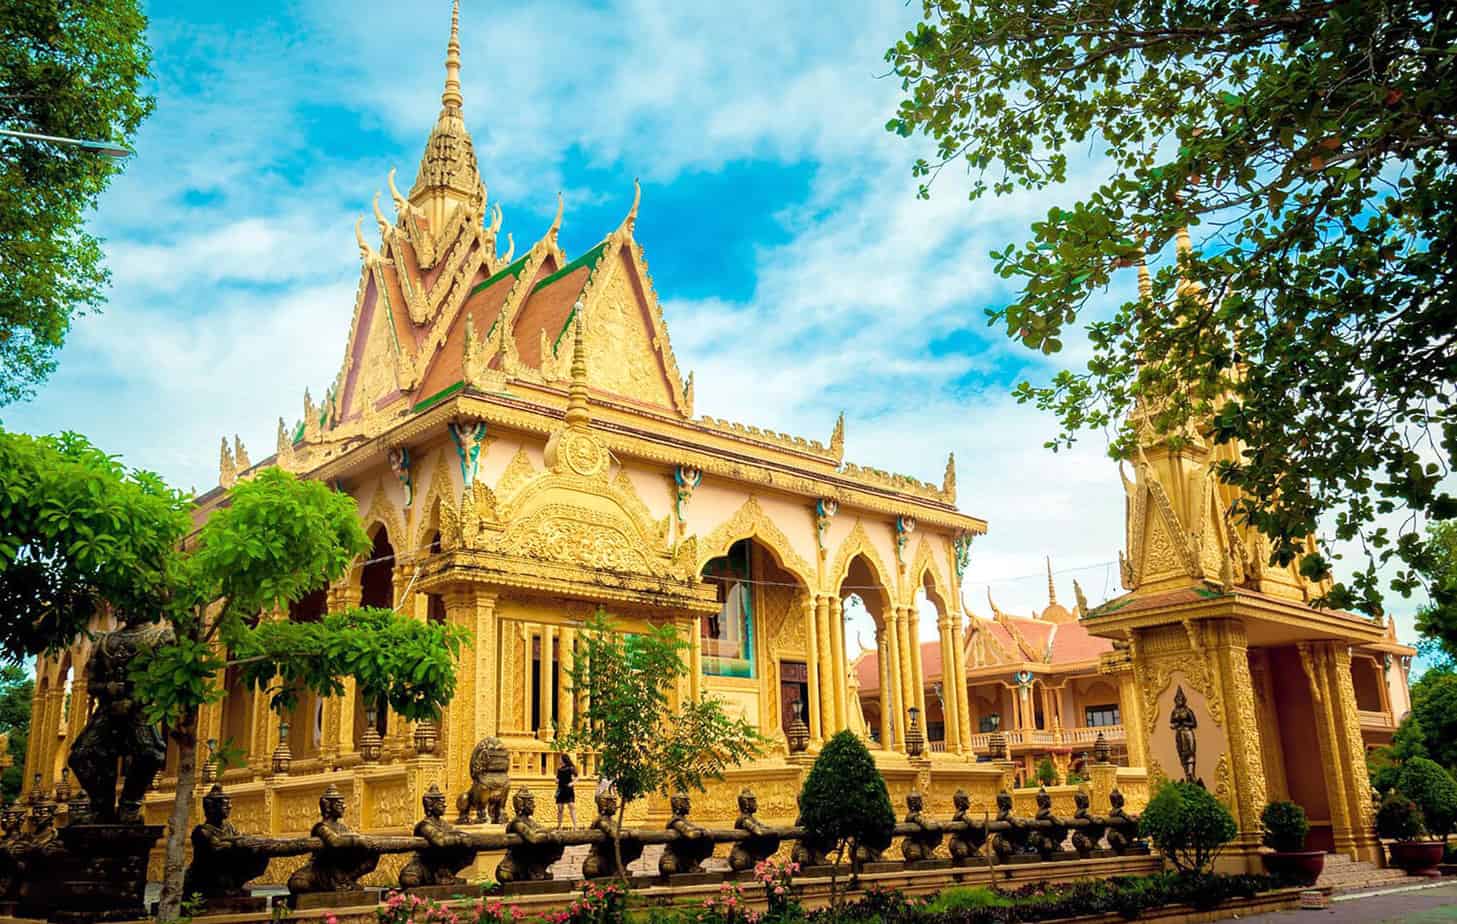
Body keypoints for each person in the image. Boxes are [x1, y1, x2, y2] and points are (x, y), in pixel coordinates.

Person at [555, 754, 579, 830]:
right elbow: (557, 779)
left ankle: (575, 826)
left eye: (560, 758)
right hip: (560, 789)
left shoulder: (571, 768)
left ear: (564, 759)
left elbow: (577, 777)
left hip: (568, 789)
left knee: (571, 806)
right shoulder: (559, 769)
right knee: (560, 808)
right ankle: (559, 826)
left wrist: (572, 783)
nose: (559, 760)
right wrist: (556, 780)